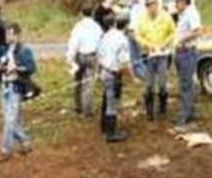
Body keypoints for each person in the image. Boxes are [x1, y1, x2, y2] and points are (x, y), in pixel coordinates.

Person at [0, 23, 36, 161]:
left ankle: (5, 150)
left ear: (17, 35)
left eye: (9, 34)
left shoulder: (24, 50)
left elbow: (31, 68)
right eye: (6, 34)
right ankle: (26, 141)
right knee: (11, 119)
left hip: (16, 88)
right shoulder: (2, 49)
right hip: (3, 87)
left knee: (9, 120)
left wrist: (16, 68)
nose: (7, 36)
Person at [136, 0, 176, 120]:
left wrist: (165, 43)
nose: (150, 8)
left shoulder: (166, 17)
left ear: (157, 5)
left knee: (162, 83)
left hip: (162, 55)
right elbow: (138, 36)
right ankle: (149, 111)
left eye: (152, 5)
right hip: (149, 56)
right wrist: (147, 45)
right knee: (149, 84)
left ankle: (162, 108)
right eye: (148, 5)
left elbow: (173, 32)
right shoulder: (142, 19)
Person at [98, 14, 131, 142]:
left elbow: (99, 55)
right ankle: (111, 133)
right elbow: (124, 62)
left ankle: (104, 126)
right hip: (113, 74)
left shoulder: (105, 36)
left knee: (106, 99)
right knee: (112, 103)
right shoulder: (122, 39)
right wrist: (132, 77)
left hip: (104, 71)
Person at [67, 6, 103, 117]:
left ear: (81, 14)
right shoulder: (97, 27)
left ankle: (78, 107)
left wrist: (70, 58)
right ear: (92, 13)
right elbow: (100, 43)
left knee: (77, 82)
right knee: (88, 84)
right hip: (92, 56)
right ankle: (87, 110)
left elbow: (73, 43)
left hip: (80, 56)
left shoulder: (78, 26)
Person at [174, 0, 202, 126]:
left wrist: (182, 40)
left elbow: (197, 31)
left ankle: (184, 116)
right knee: (186, 83)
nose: (176, 4)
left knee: (186, 85)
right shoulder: (183, 13)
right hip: (182, 52)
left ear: (184, 2)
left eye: (177, 2)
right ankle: (190, 112)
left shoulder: (191, 13)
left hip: (187, 52)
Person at [128, 0, 150, 79]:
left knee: (136, 55)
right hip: (135, 31)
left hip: (135, 31)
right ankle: (143, 73)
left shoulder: (136, 5)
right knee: (136, 55)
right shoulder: (137, 5)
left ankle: (142, 73)